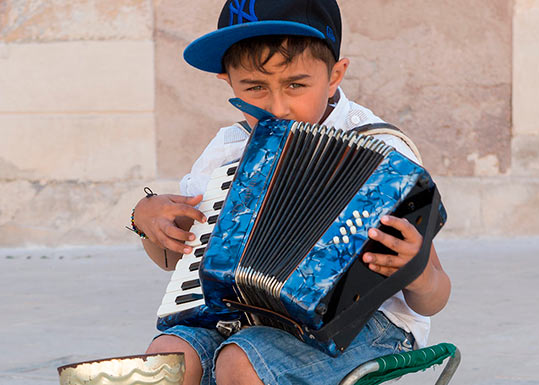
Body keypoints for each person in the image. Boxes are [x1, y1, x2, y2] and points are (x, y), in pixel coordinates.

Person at [131, 1, 451, 384]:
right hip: (240, 317)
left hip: (372, 327)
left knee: (240, 361)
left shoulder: (383, 156)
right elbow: (172, 258)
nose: (278, 107)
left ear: (335, 75)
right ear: (227, 81)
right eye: (254, 88)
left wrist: (415, 272)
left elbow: (434, 296)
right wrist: (146, 221)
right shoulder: (228, 148)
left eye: (296, 85)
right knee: (167, 360)